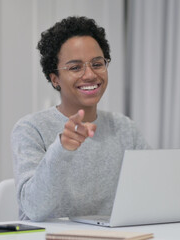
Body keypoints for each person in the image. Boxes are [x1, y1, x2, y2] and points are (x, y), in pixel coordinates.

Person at [11, 16, 149, 221]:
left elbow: (152, 192)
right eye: (75, 67)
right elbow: (34, 209)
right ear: (55, 78)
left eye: (97, 63)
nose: (90, 75)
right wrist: (61, 149)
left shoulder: (124, 128)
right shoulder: (31, 129)